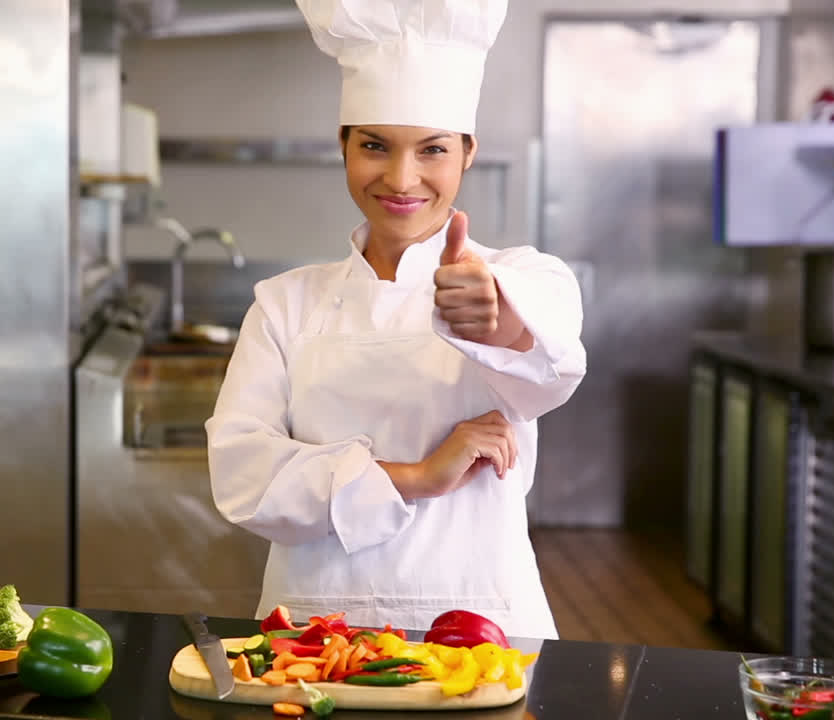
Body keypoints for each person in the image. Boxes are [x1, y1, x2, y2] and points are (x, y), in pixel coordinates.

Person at [203, 0, 587, 640]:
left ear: (468, 152)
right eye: (375, 145)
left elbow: (549, 366)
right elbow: (243, 477)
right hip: (314, 635)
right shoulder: (283, 303)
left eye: (432, 150)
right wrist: (416, 478)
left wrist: (491, 321)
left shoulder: (525, 278)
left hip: (483, 626)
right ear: (344, 146)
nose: (401, 177)